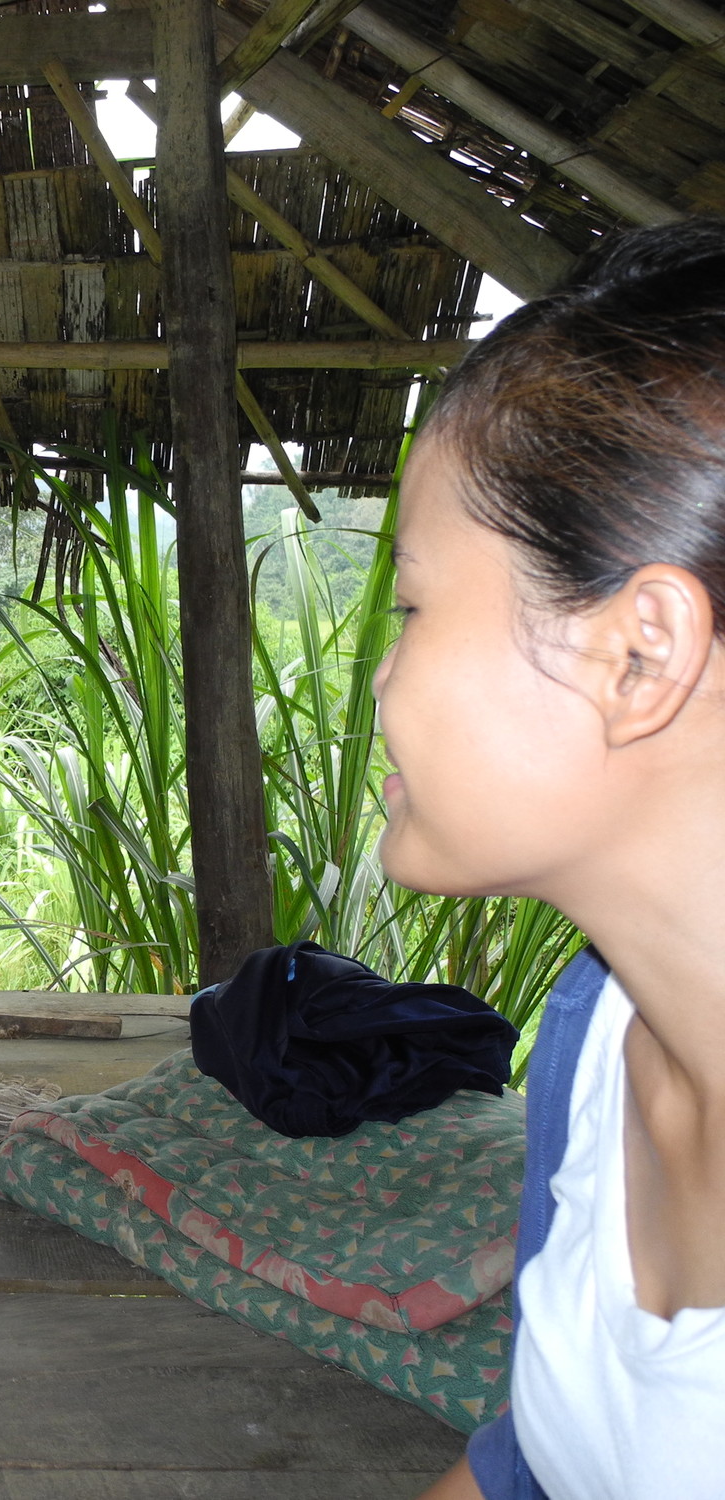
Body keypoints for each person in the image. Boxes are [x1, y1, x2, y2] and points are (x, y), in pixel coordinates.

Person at [375, 220, 725, 1500]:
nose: (379, 677)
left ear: (637, 655)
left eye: (413, 606)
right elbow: (539, 1464)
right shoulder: (596, 1030)